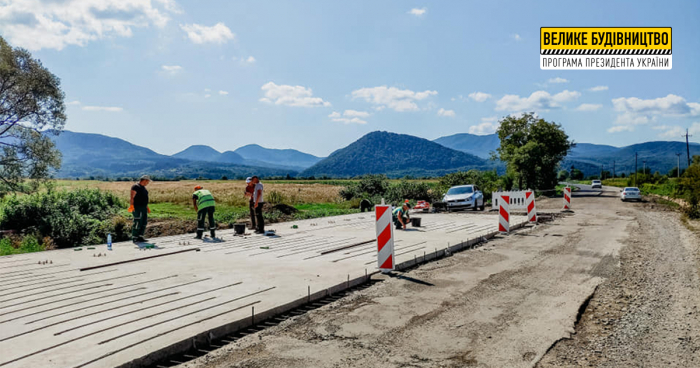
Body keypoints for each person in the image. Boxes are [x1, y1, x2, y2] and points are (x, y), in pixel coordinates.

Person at [129, 175, 151, 243]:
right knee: (138, 221)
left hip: (143, 207)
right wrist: (132, 206)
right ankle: (135, 237)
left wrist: (147, 207)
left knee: (144, 222)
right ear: (144, 180)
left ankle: (140, 236)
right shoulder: (136, 187)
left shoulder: (144, 188)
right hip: (137, 207)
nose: (148, 183)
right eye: (148, 181)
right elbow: (132, 197)